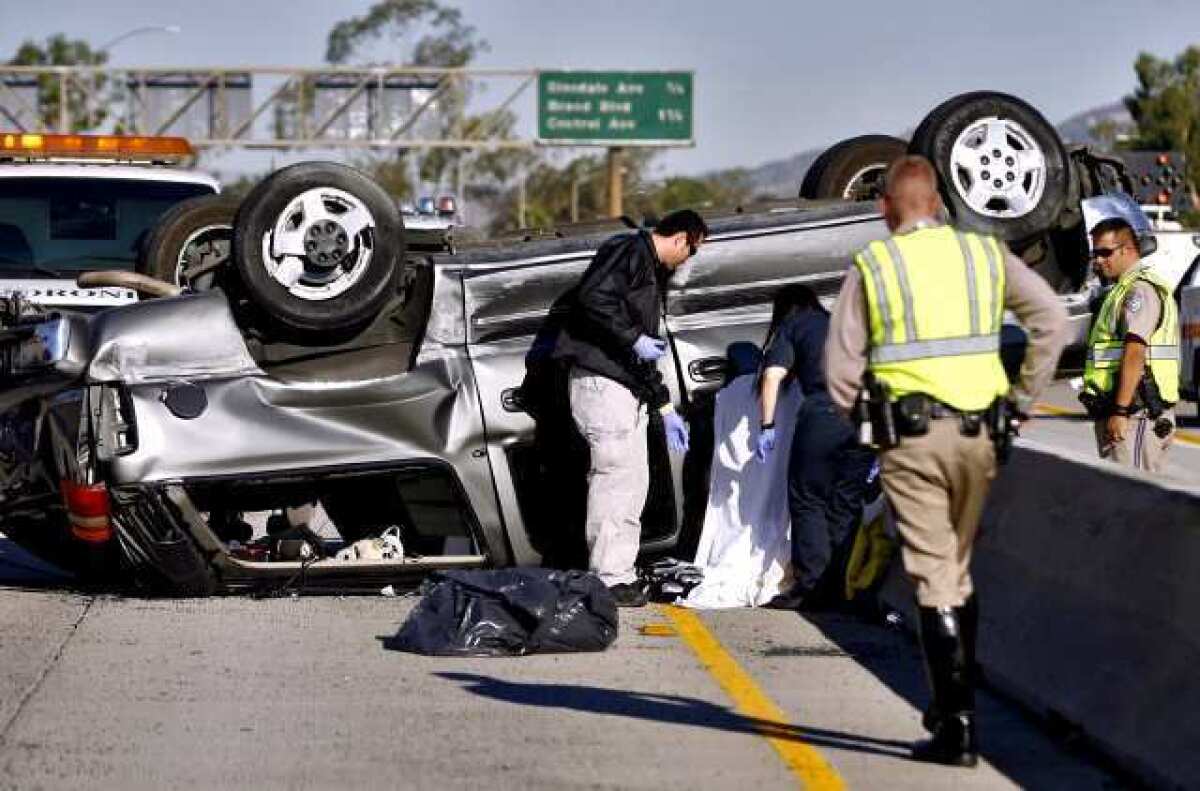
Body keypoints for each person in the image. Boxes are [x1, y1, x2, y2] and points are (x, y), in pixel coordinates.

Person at [824, 155, 1068, 766]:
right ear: (936, 203)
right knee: (956, 567)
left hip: (911, 439)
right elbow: (1053, 321)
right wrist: (1019, 402)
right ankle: (951, 701)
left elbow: (840, 369)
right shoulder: (982, 254)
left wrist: (867, 422)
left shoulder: (876, 263)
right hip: (982, 433)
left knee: (935, 576)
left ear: (886, 208)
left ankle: (956, 727)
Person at [552, 209, 708, 608]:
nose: (688, 260)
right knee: (615, 479)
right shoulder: (630, 250)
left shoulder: (648, 273)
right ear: (680, 239)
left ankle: (619, 572)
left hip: (625, 388)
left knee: (632, 483)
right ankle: (607, 576)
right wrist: (633, 336)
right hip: (603, 385)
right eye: (691, 251)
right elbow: (593, 297)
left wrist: (666, 407)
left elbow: (642, 358)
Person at [755, 285, 876, 610]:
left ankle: (810, 588)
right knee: (845, 502)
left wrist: (767, 425)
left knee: (808, 499)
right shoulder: (847, 323)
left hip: (823, 414)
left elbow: (772, 377)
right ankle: (840, 586)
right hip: (864, 416)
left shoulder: (794, 325)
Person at [682, 337, 800, 609]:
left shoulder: (727, 395)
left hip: (733, 485)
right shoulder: (783, 393)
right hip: (773, 484)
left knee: (730, 523)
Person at [1079, 196, 1179, 473]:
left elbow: (1135, 352)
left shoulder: (1139, 291)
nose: (1098, 261)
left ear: (1127, 249)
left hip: (1137, 416)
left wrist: (1121, 412)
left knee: (1135, 502)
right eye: (1095, 254)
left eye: (1105, 253)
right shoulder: (1120, 290)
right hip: (1133, 414)